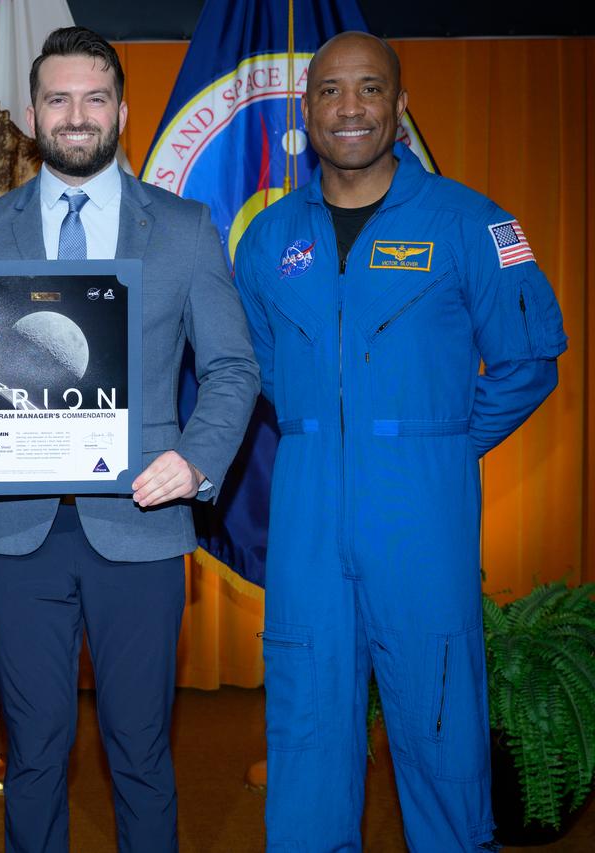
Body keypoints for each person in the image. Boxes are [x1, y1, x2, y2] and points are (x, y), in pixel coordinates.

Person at [0, 27, 260, 852]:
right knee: (35, 754)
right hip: (18, 531)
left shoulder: (184, 226)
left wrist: (199, 458)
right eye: (59, 99)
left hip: (140, 522)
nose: (77, 114)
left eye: (94, 97)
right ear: (34, 115)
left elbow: (235, 368)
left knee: (140, 751)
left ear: (123, 112)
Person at [234, 32, 567, 851]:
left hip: (421, 507)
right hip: (308, 507)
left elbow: (528, 363)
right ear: (306, 110)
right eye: (330, 92)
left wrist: (439, 440)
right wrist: (330, 430)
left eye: (369, 89)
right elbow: (259, 368)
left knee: (437, 712)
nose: (350, 108)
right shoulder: (270, 241)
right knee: (307, 710)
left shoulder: (471, 224)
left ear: (401, 105)